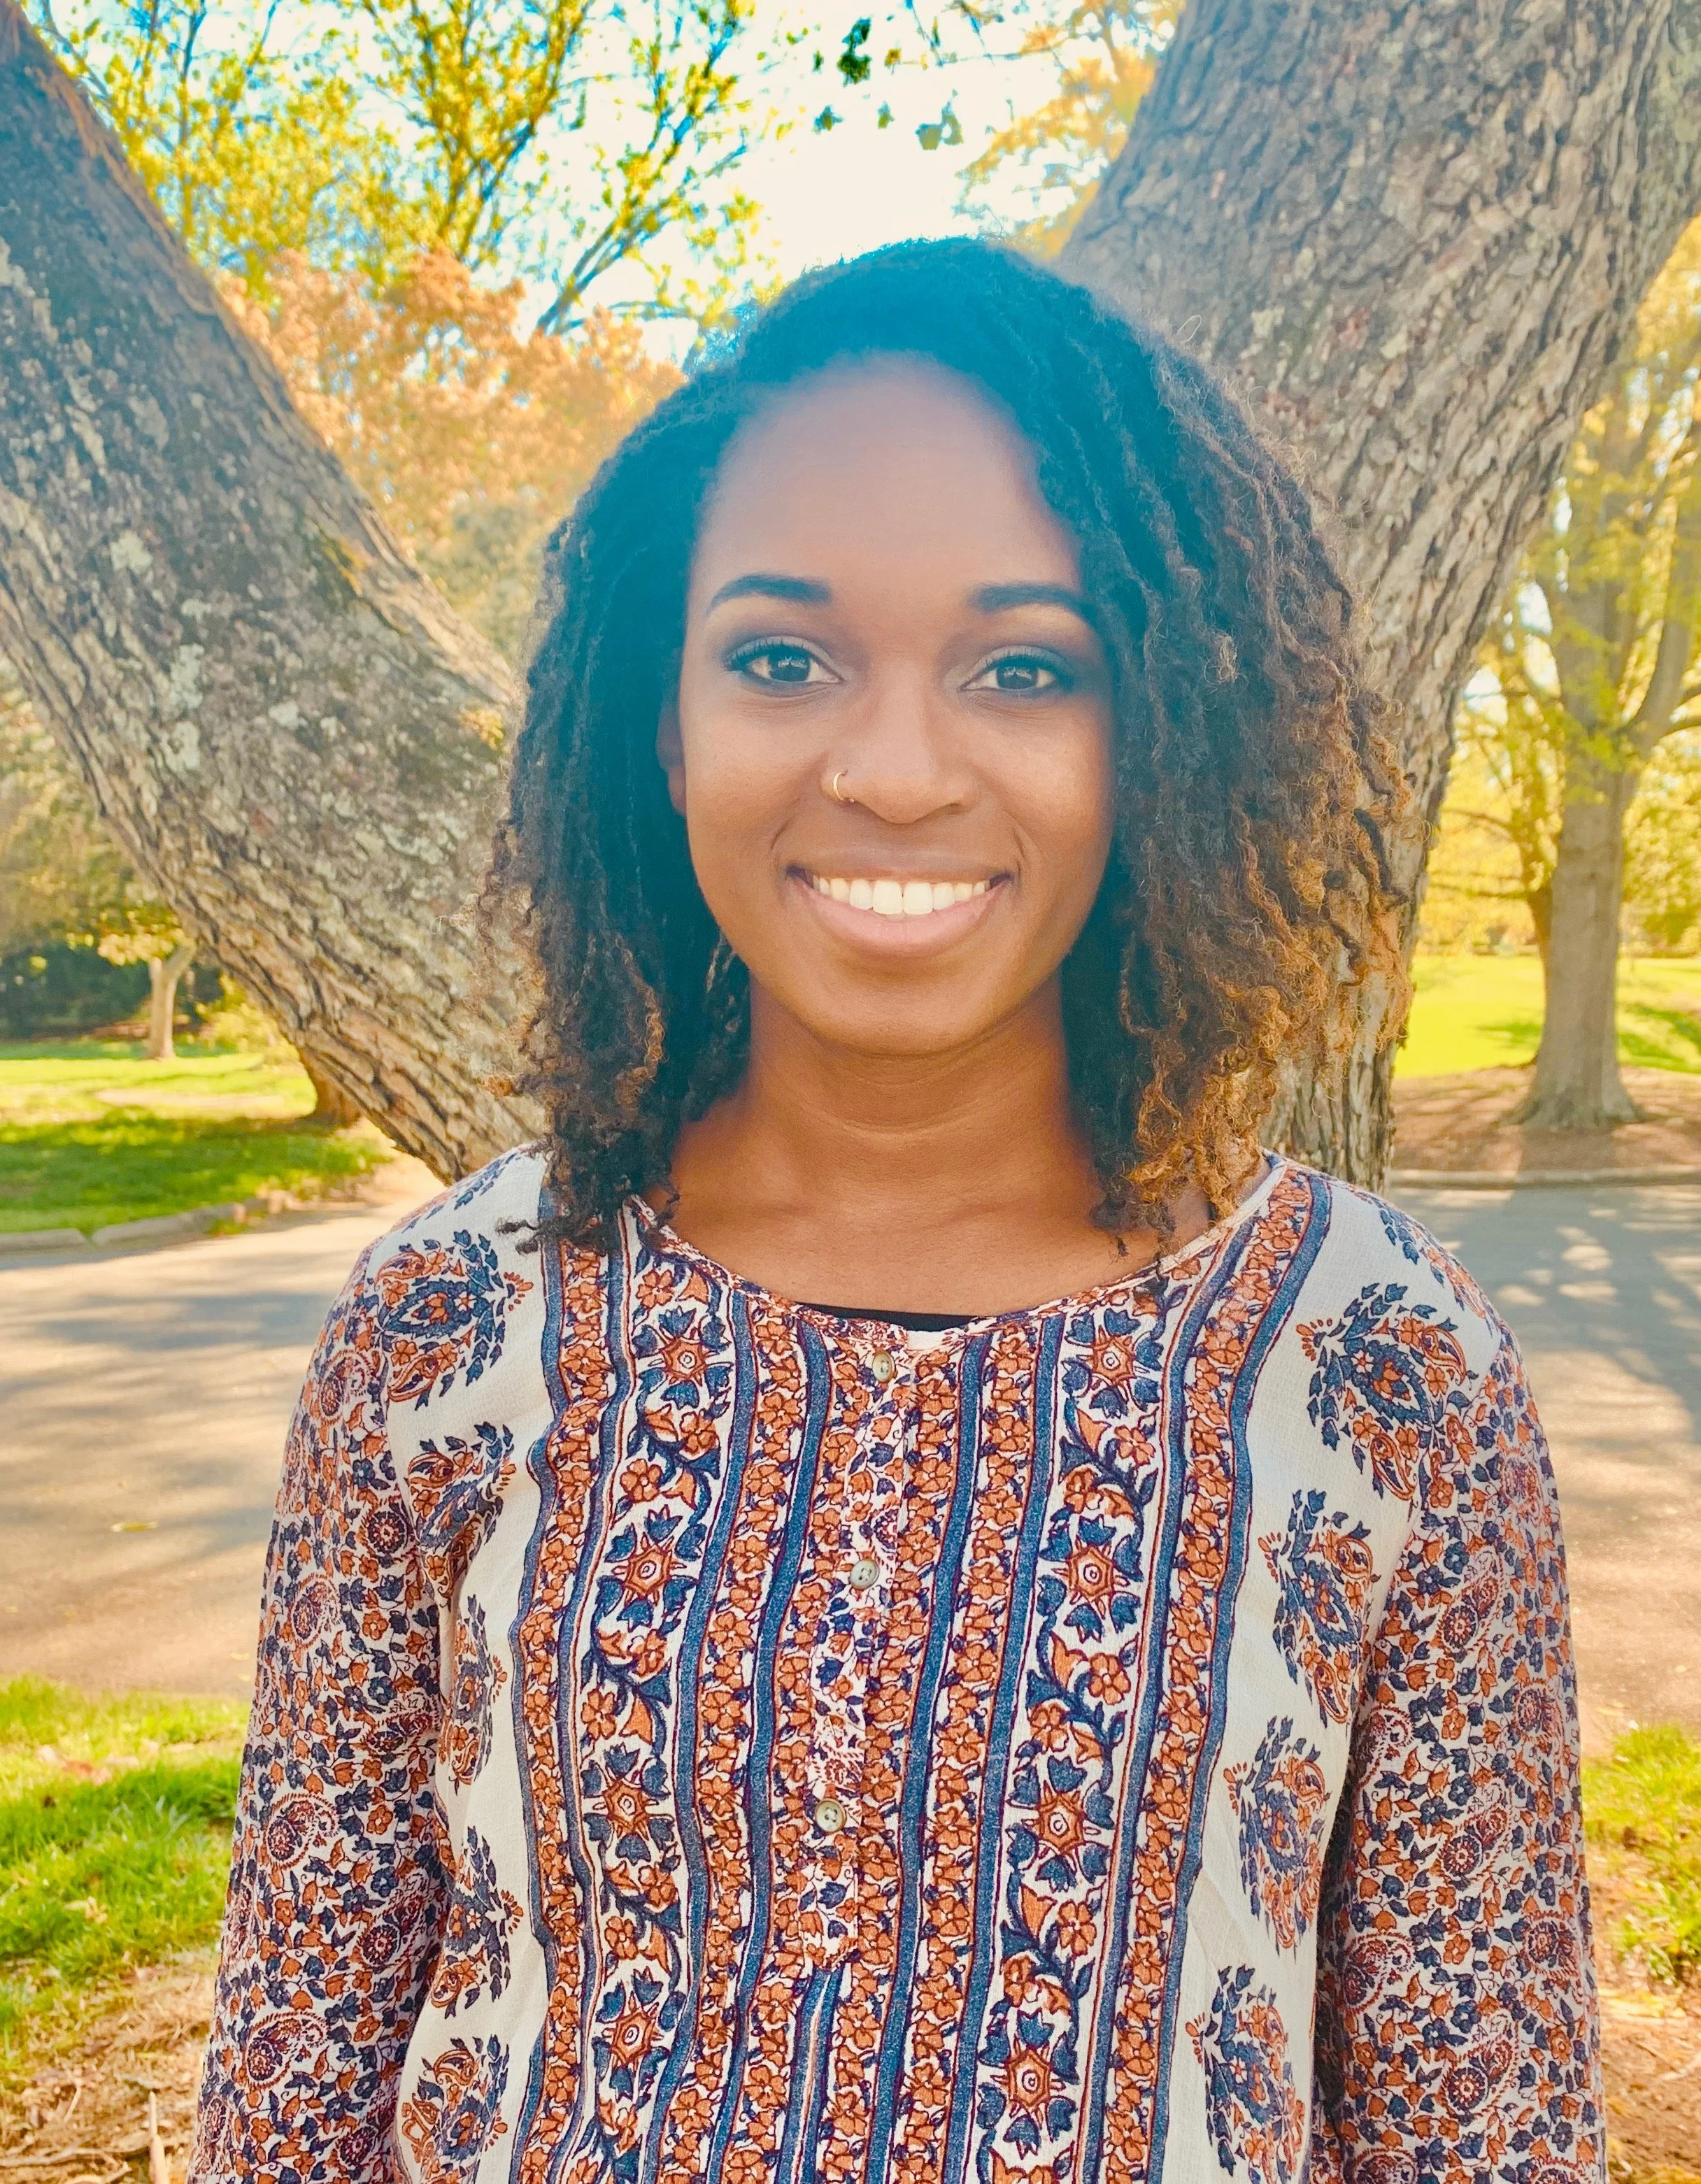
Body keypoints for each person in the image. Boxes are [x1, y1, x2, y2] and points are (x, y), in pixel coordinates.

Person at [190, 238, 1602, 2184]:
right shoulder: (446, 1329)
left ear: (1157, 736)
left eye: (1027, 668)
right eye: (783, 658)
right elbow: (295, 2068)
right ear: (665, 723)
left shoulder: (1382, 1366)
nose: (894, 770)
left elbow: (1489, 2118)